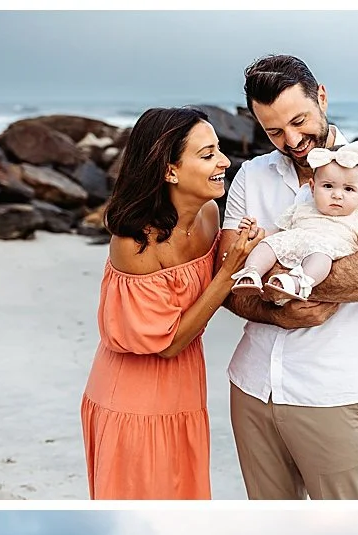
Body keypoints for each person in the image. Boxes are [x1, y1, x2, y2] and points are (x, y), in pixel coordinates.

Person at [221, 55, 358, 501]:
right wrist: (279, 313)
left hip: (332, 392)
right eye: (274, 131)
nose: (291, 141)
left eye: (299, 121)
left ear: (321, 97)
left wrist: (283, 278)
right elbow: (228, 279)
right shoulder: (251, 176)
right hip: (251, 385)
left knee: (344, 527)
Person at [81, 106, 265, 500]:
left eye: (219, 149)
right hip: (131, 399)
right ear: (170, 171)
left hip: (184, 391)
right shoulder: (135, 242)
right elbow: (168, 344)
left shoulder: (210, 214)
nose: (224, 162)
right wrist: (229, 271)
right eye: (208, 154)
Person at [231, 143, 358, 313]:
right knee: (268, 245)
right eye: (328, 186)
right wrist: (257, 233)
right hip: (295, 241)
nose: (337, 195)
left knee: (321, 260)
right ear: (313, 187)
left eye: (348, 189)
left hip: (324, 250)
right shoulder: (302, 208)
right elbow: (279, 232)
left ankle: (296, 282)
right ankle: (252, 272)